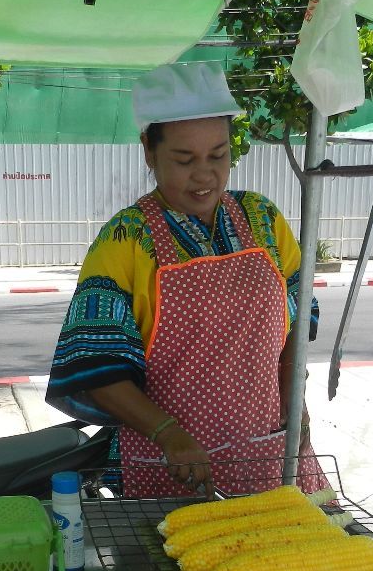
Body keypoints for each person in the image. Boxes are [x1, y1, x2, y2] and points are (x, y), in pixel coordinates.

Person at [45, 62, 328, 499]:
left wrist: (292, 387)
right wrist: (168, 433)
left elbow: (300, 307)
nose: (205, 175)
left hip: (270, 451)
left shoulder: (264, 219)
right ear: (149, 151)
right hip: (169, 467)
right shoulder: (127, 238)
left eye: (218, 155)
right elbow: (94, 365)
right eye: (184, 159)